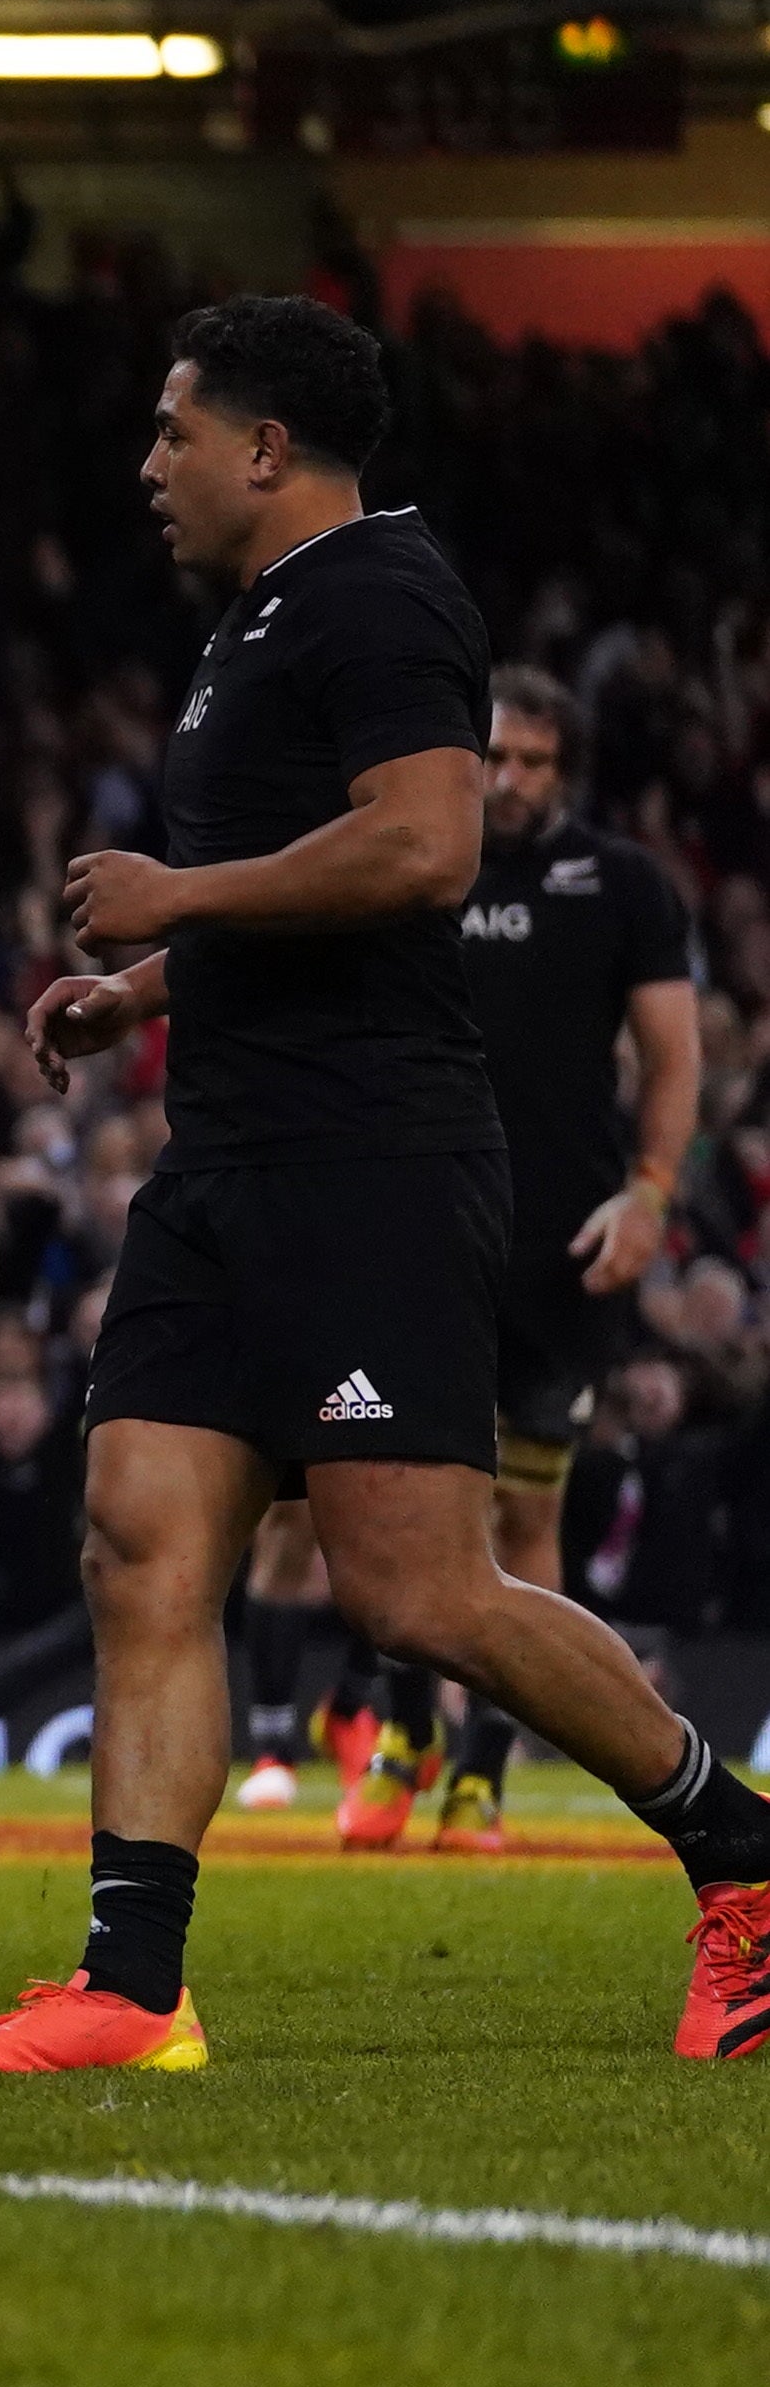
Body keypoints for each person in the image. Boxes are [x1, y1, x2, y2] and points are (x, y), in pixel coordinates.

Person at [0, 299, 770, 2075]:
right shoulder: (253, 622)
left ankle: (743, 1852)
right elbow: (312, 888)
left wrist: (172, 903)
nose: (148, 466)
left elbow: (425, 845)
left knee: (420, 1595)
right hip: (229, 1154)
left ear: (264, 448)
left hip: (373, 1161)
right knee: (139, 1542)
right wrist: (146, 990)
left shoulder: (381, 594)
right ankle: (130, 1983)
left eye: (175, 432)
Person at [324, 664, 698, 1852]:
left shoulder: (626, 884)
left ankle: (479, 1771)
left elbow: (674, 1060)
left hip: (559, 1250)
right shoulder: (416, 867)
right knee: (393, 1506)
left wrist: (648, 1194)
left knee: (526, 1522)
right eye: (502, 758)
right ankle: (400, 1733)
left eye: (539, 761)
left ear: (567, 772)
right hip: (421, 1228)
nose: (518, 780)